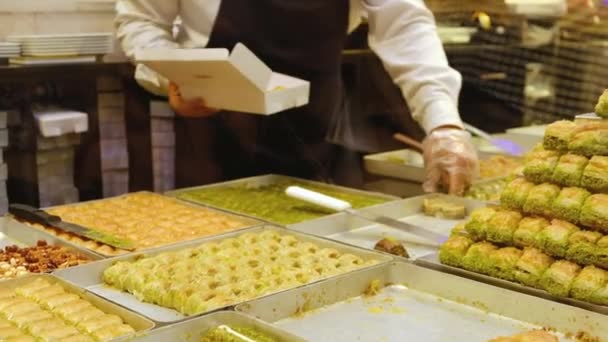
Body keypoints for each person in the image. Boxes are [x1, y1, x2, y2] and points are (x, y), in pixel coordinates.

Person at [116, 0, 479, 195]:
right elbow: (141, 23)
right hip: (212, 134)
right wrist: (173, 77)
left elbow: (405, 26)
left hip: (315, 130)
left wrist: (443, 122)